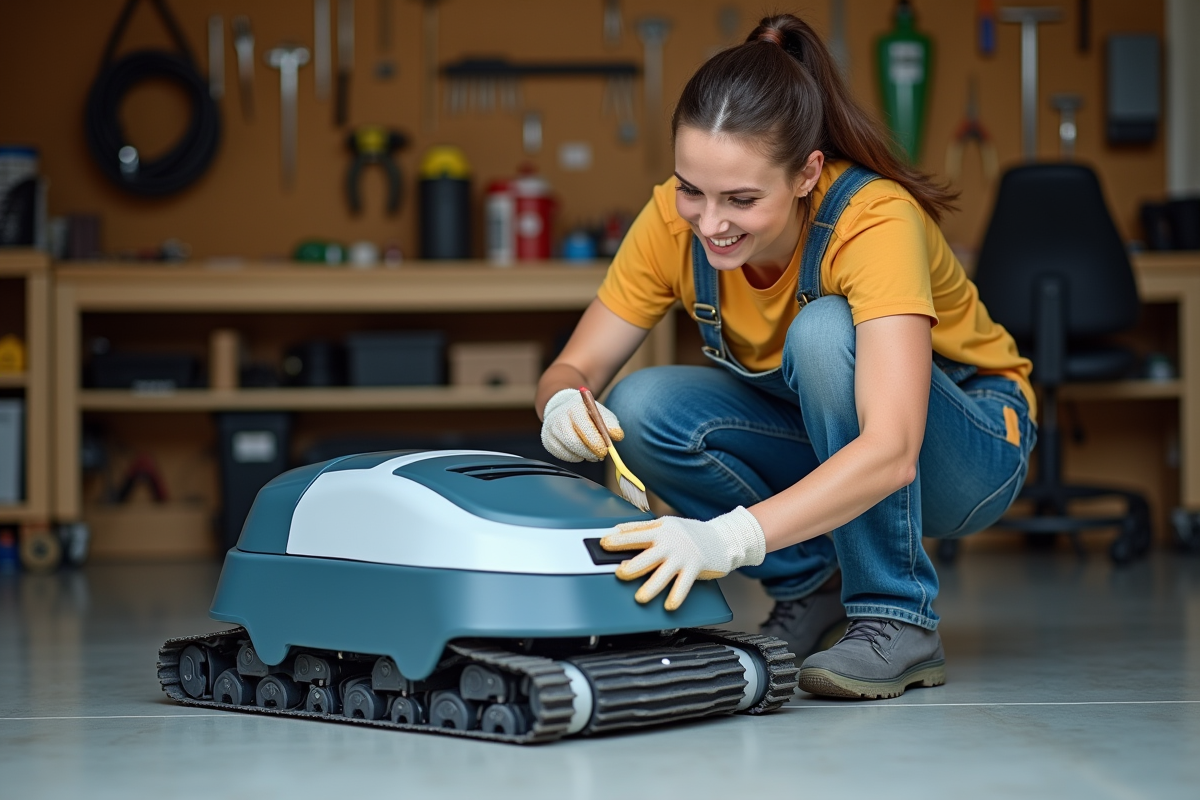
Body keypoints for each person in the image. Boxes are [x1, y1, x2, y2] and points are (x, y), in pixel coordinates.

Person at [535, 13, 1035, 700]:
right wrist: (561, 402)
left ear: (807, 175)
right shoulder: (670, 225)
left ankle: (897, 618)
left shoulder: (874, 219)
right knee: (640, 407)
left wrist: (726, 541)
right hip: (832, 434)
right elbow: (574, 368)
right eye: (692, 190)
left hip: (970, 447)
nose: (709, 223)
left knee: (826, 332)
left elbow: (892, 449)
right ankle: (813, 586)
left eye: (741, 199)